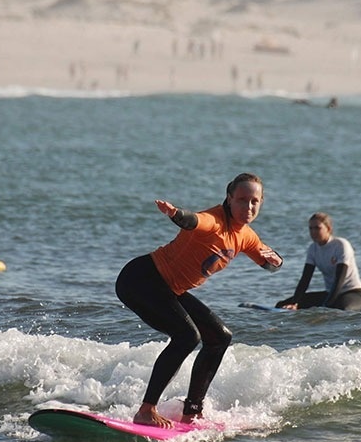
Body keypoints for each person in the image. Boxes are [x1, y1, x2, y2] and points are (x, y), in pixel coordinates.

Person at [116, 173, 283, 428]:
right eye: (241, 200)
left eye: (254, 202)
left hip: (170, 289)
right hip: (140, 280)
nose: (248, 207)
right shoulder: (214, 221)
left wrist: (276, 261)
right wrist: (175, 214)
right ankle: (146, 410)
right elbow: (194, 220)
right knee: (187, 336)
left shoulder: (245, 236)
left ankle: (192, 411)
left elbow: (267, 262)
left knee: (219, 337)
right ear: (229, 198)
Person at [276, 212, 361, 312]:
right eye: (311, 228)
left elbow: (339, 280)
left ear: (329, 229)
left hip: (352, 293)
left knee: (341, 310)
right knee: (282, 305)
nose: (313, 232)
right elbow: (305, 279)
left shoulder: (341, 245)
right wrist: (294, 303)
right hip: (330, 293)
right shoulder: (313, 249)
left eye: (317, 228)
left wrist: (326, 306)